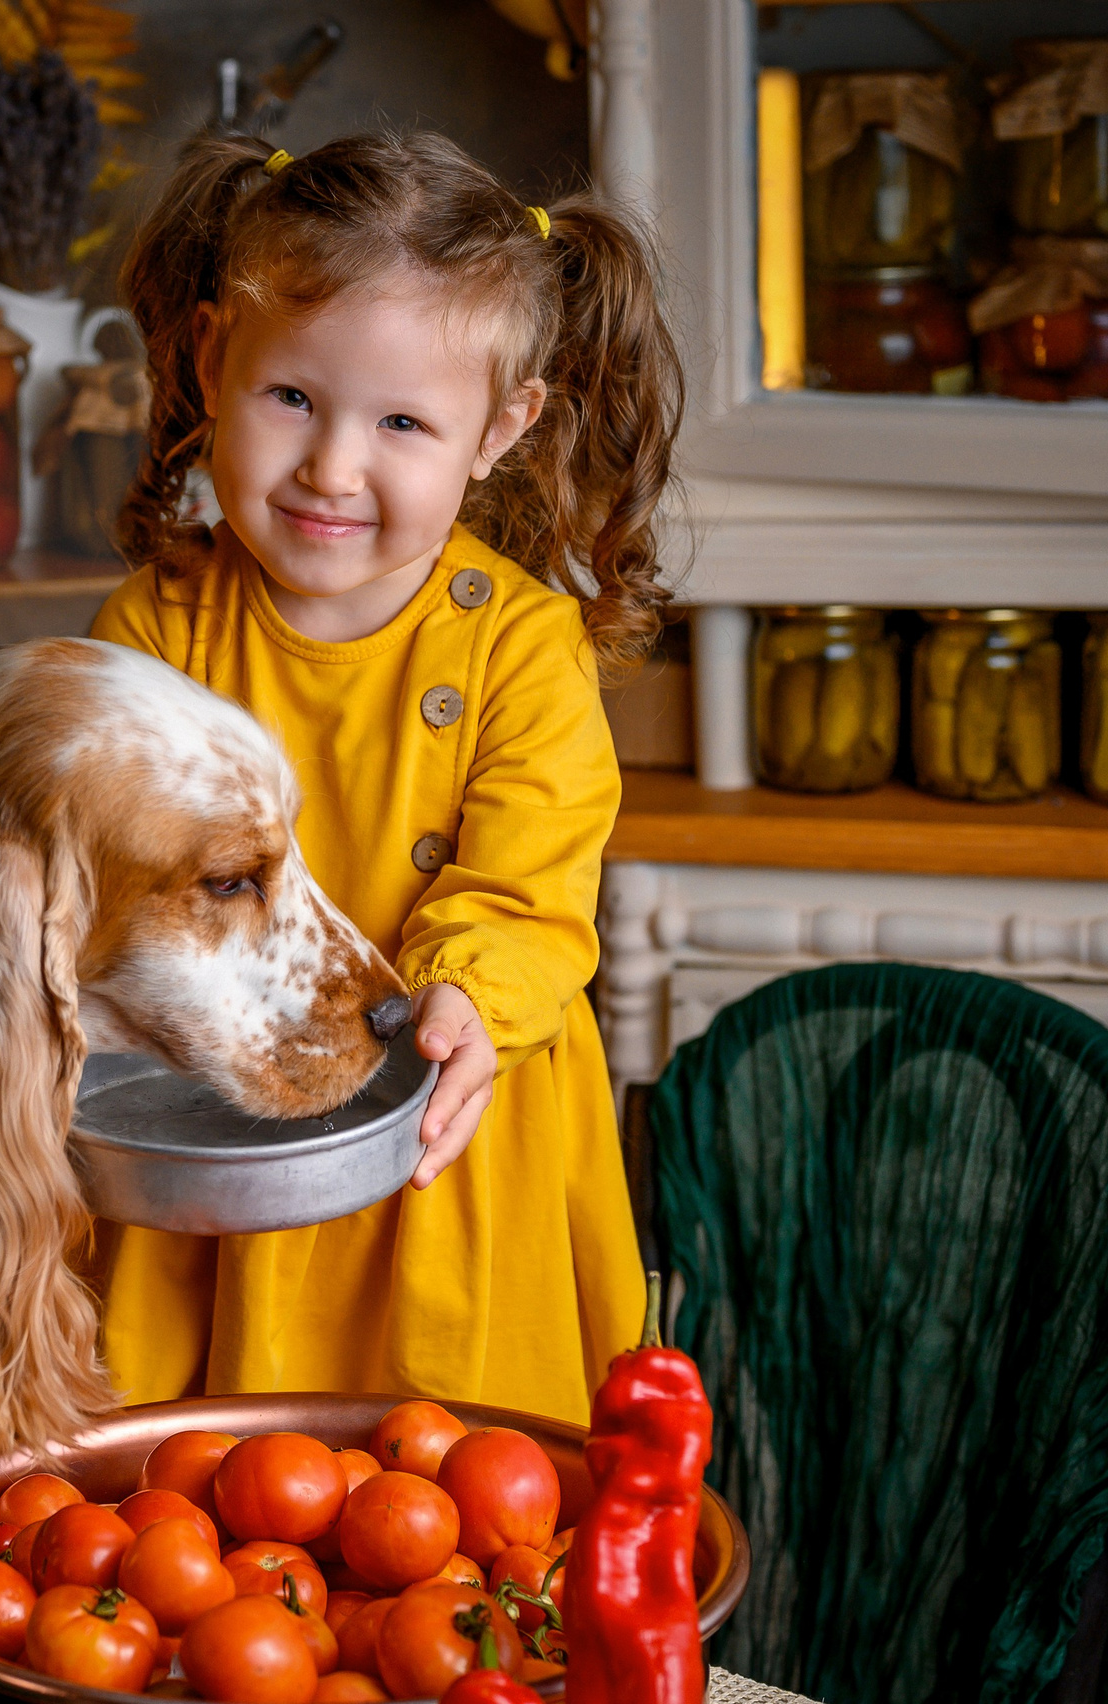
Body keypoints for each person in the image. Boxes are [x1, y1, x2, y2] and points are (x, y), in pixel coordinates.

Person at [86, 130, 683, 1428]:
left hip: (442, 1149)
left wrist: (462, 995)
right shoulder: (157, 628)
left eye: (403, 422)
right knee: (185, 1522)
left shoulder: (526, 651)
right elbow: (85, 872)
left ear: (500, 431)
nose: (332, 469)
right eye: (291, 397)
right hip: (218, 1136)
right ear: (208, 359)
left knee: (441, 1525)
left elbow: (527, 896)